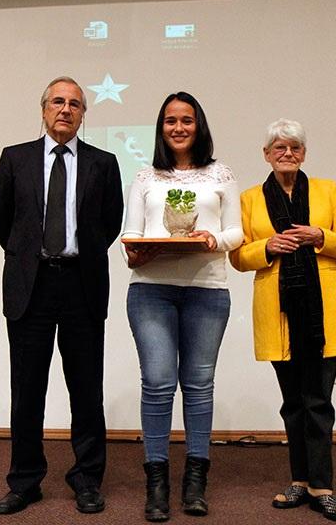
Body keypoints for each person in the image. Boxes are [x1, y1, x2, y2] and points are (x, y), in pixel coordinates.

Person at [0, 76, 123, 516]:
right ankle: (25, 481)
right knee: (27, 390)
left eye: (75, 104)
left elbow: (110, 223)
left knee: (86, 390)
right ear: (43, 109)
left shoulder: (103, 163)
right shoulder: (15, 159)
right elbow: (2, 221)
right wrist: (32, 255)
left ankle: (86, 480)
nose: (65, 110)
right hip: (32, 286)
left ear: (84, 114)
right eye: (57, 102)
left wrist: (75, 254)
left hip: (82, 285)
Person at [229, 118, 336, 522]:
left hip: (323, 311)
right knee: (292, 404)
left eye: (295, 148)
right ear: (266, 155)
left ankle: (322, 487)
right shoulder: (250, 198)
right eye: (279, 148)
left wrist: (320, 236)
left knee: (318, 401)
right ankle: (299, 481)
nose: (287, 154)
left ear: (304, 153)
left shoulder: (327, 190)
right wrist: (267, 245)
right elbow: (237, 257)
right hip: (279, 311)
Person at [122, 92, 242, 522]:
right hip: (151, 289)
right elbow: (130, 236)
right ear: (161, 127)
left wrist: (215, 240)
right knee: (156, 383)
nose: (178, 127)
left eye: (186, 120)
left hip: (207, 289)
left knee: (198, 385)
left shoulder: (221, 173)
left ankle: (195, 483)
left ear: (199, 125)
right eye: (170, 120)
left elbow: (236, 232)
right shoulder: (145, 177)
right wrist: (137, 254)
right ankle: (156, 483)